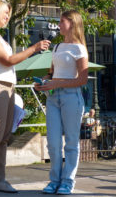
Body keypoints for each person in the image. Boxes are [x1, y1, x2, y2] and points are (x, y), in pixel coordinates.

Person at [0, 0, 50, 196]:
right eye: (5, 13)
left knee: (4, 136)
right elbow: (6, 60)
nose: (7, 17)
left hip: (6, 86)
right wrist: (34, 48)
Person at [35, 10, 88, 195]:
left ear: (72, 23)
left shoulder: (79, 48)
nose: (58, 25)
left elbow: (83, 79)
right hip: (53, 97)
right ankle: (54, 180)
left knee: (72, 142)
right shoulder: (57, 47)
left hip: (71, 96)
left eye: (61, 21)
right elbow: (51, 73)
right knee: (53, 142)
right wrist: (44, 81)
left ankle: (68, 181)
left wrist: (57, 83)